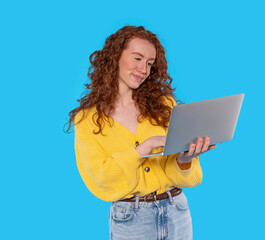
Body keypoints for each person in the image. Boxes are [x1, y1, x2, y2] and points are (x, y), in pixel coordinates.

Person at [64, 25, 216, 240]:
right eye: (137, 58)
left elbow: (186, 177)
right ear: (115, 56)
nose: (143, 69)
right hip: (131, 220)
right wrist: (144, 147)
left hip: (177, 211)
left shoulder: (165, 105)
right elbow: (102, 179)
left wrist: (185, 160)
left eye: (150, 63)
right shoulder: (87, 119)